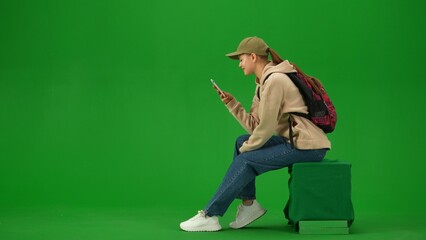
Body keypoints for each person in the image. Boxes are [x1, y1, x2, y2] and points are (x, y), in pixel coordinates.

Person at [179, 36, 331, 232]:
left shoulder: (275, 80)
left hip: (309, 146)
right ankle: (249, 206)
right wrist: (232, 105)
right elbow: (256, 127)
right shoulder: (262, 83)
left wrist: (248, 151)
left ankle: (211, 215)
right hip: (293, 140)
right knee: (240, 142)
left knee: (246, 159)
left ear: (253, 57)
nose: (239, 64)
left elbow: (266, 129)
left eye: (241, 59)